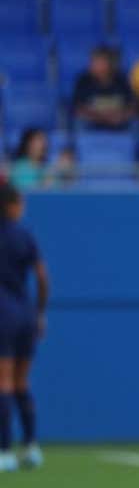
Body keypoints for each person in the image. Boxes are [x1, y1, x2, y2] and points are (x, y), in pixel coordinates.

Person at [0, 182, 49, 472]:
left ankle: (4, 450)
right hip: (25, 314)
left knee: (3, 384)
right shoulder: (25, 237)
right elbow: (42, 277)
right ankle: (31, 446)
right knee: (21, 382)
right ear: (11, 206)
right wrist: (40, 312)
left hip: (3, 316)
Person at [71, 47, 135, 132]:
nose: (94, 65)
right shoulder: (83, 81)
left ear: (110, 64)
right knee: (79, 123)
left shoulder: (122, 81)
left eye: (100, 62)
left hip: (118, 122)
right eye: (93, 62)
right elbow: (78, 109)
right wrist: (100, 117)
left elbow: (132, 107)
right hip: (92, 121)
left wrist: (121, 116)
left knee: (135, 123)